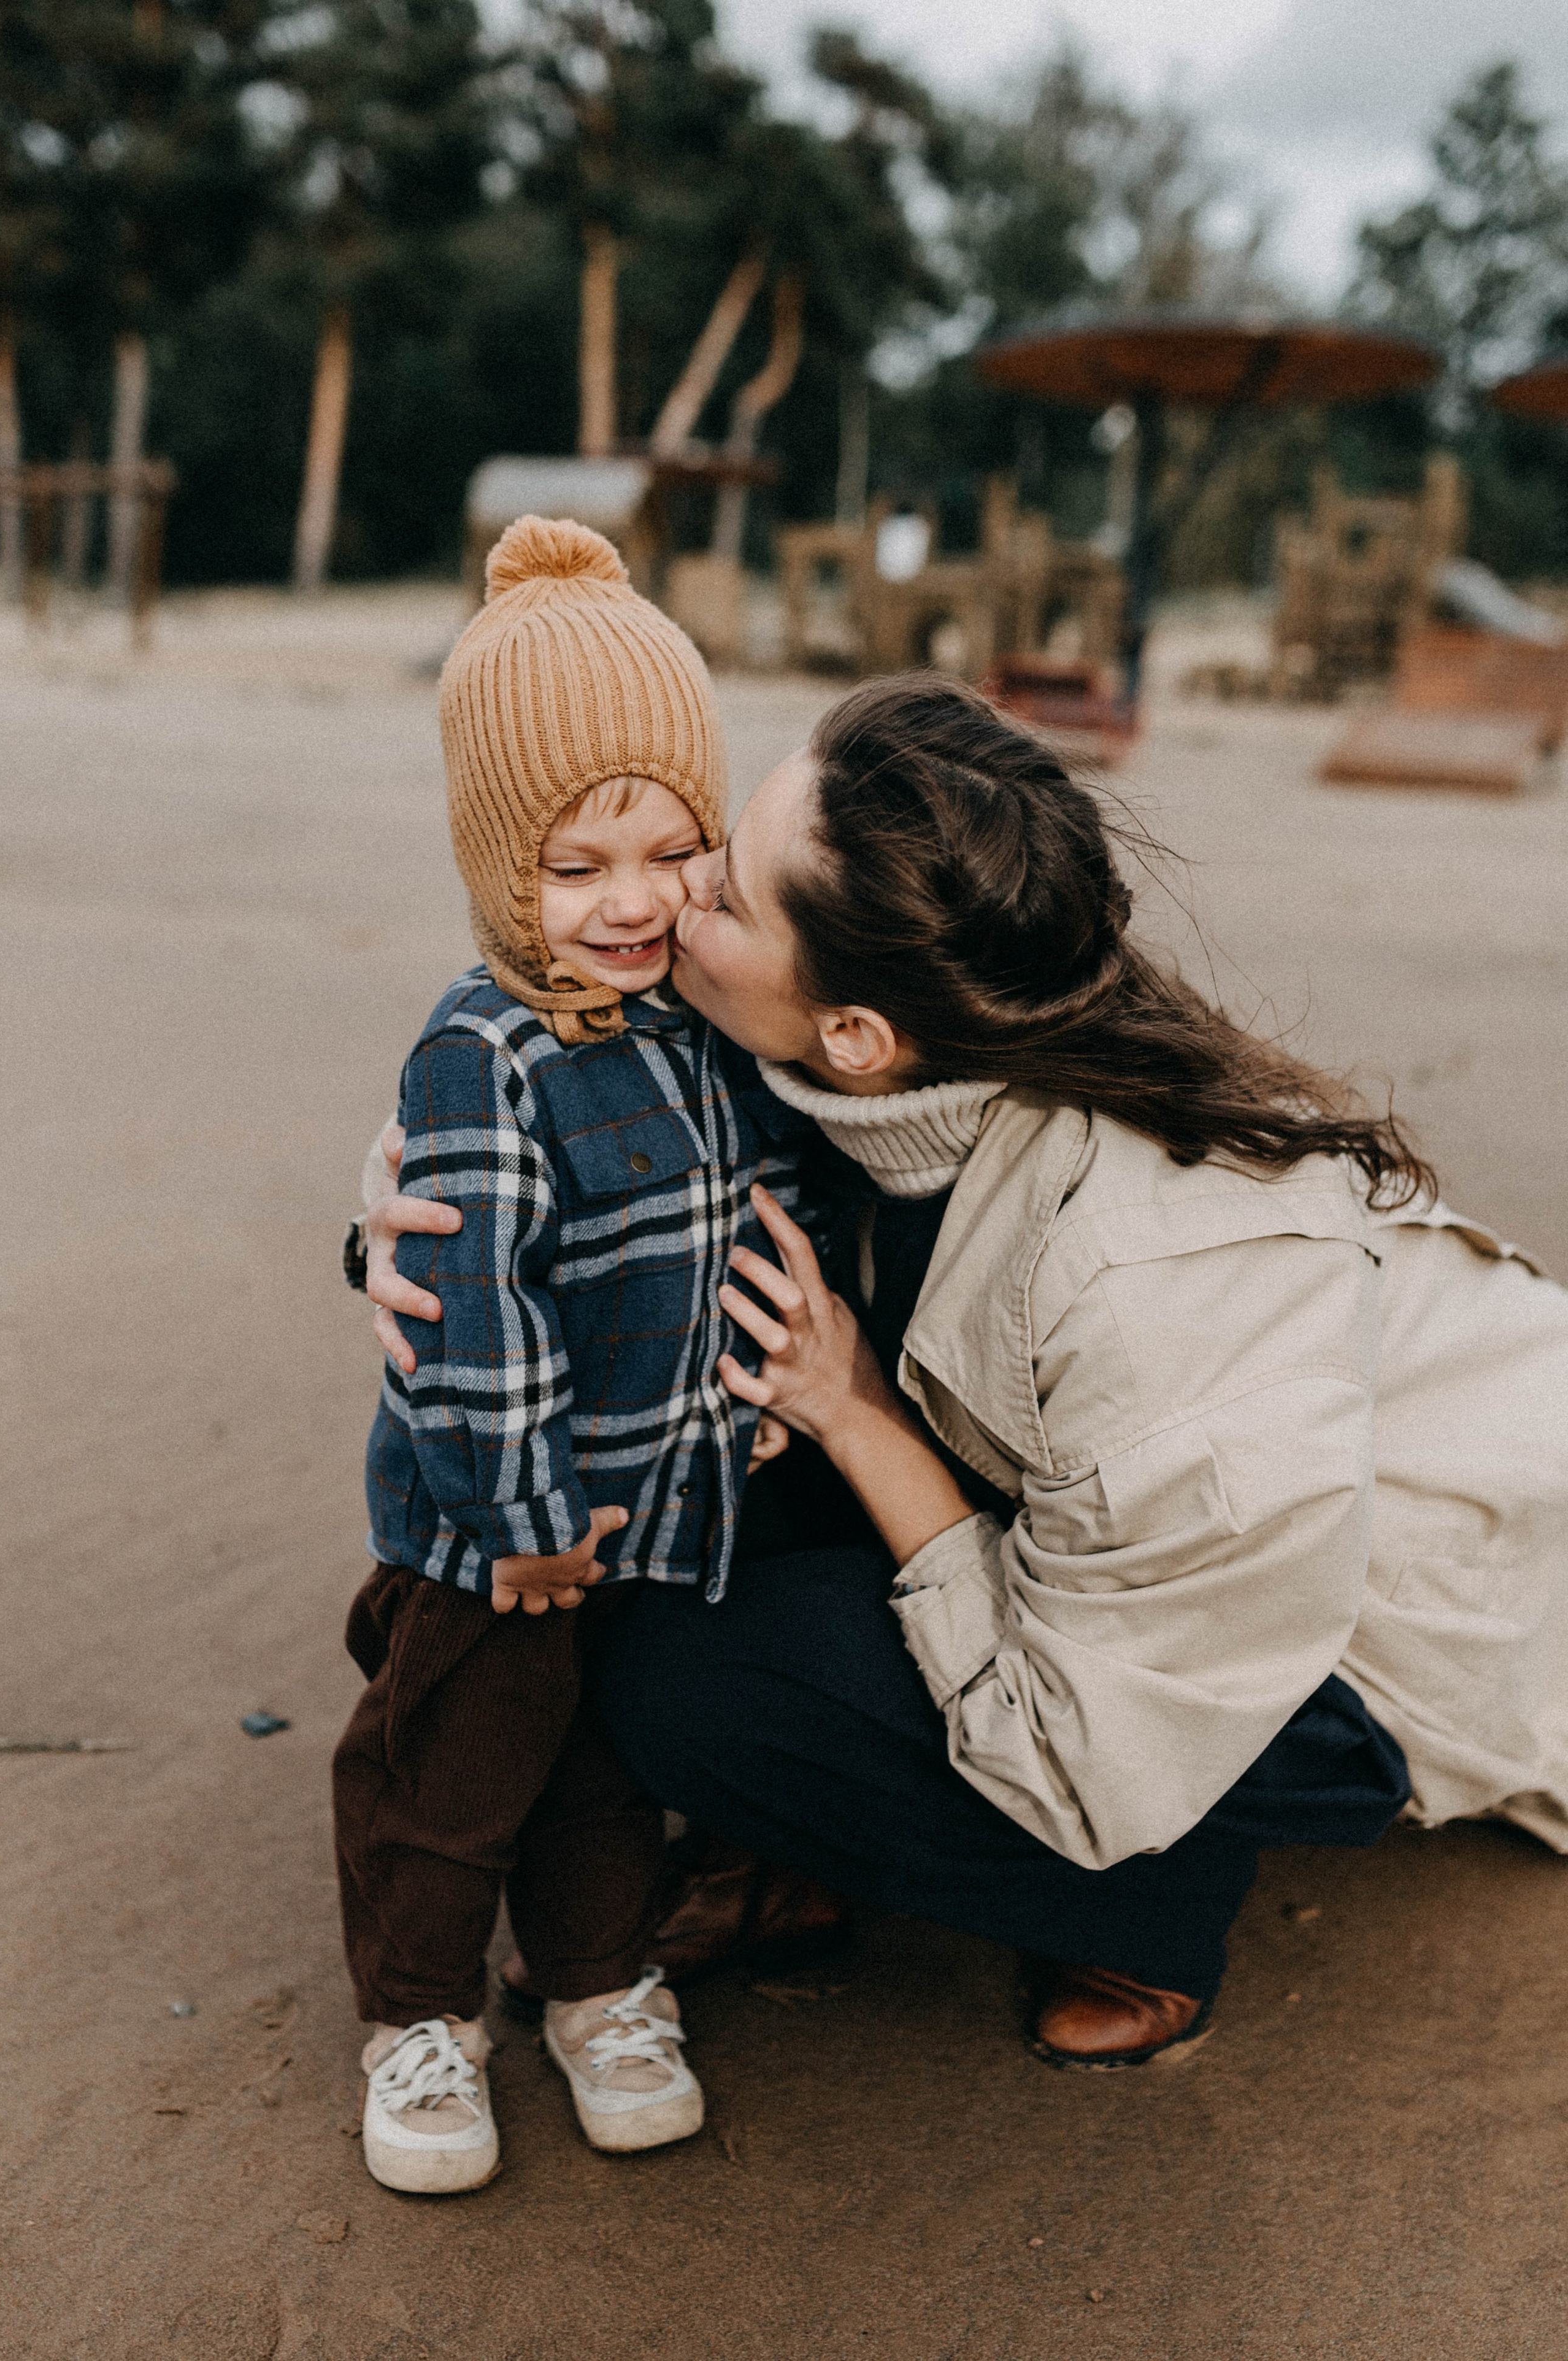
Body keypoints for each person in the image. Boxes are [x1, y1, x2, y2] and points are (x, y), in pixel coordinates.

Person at [365, 671, 1568, 2074]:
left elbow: (1088, 1740)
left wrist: (859, 1414)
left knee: (672, 1677)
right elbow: (589, 1163)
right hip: (1153, 1510)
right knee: (697, 1425)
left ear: (855, 1037)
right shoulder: (923, 1022)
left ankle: (1154, 1902)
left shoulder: (1153, 1288)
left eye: (728, 895)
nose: (677, 896)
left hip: (1370, 1636)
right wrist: (413, 1222)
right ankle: (814, 1843)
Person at [336, 514, 802, 2195]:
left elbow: (767, 1215)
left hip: (653, 1517)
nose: (630, 904)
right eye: (574, 865)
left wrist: (762, 1408)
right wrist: (526, 1519)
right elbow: (474, 1317)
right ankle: (417, 2016)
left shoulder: (709, 1029)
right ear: (496, 865)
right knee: (455, 1768)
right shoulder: (484, 1060)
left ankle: (597, 1986)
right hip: (501, 1533)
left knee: (604, 1770)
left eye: (671, 852)